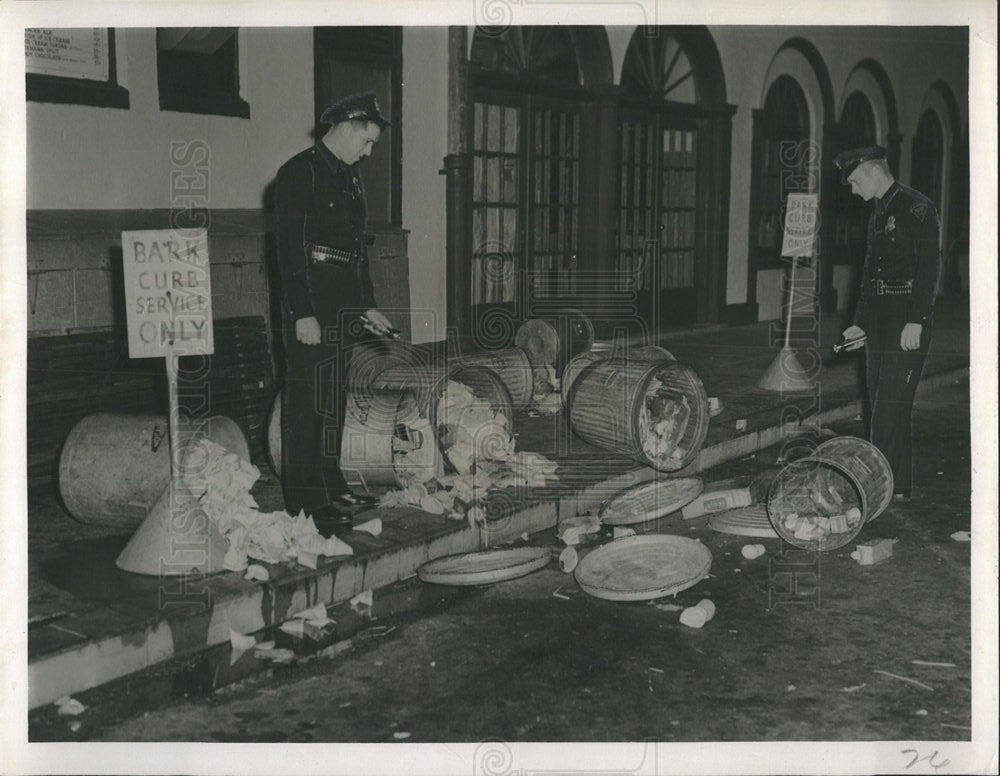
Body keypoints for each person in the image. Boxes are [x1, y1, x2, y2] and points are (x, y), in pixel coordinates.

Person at [273, 91, 395, 534]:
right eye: (366, 142)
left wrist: (367, 304)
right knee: (307, 401)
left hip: (343, 301)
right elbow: (289, 251)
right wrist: (302, 312)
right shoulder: (297, 173)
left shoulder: (348, 178)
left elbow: (355, 251)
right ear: (345, 126)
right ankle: (304, 501)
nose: (368, 152)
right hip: (311, 304)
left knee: (332, 399)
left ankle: (331, 484)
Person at [833, 145, 942, 503]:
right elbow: (868, 275)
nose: (852, 189)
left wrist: (917, 320)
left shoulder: (917, 207)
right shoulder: (878, 213)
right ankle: (897, 485)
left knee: (889, 407)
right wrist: (859, 323)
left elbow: (928, 270)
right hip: (879, 317)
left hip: (904, 316)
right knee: (884, 402)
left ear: (871, 170)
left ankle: (872, 488)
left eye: (853, 181)